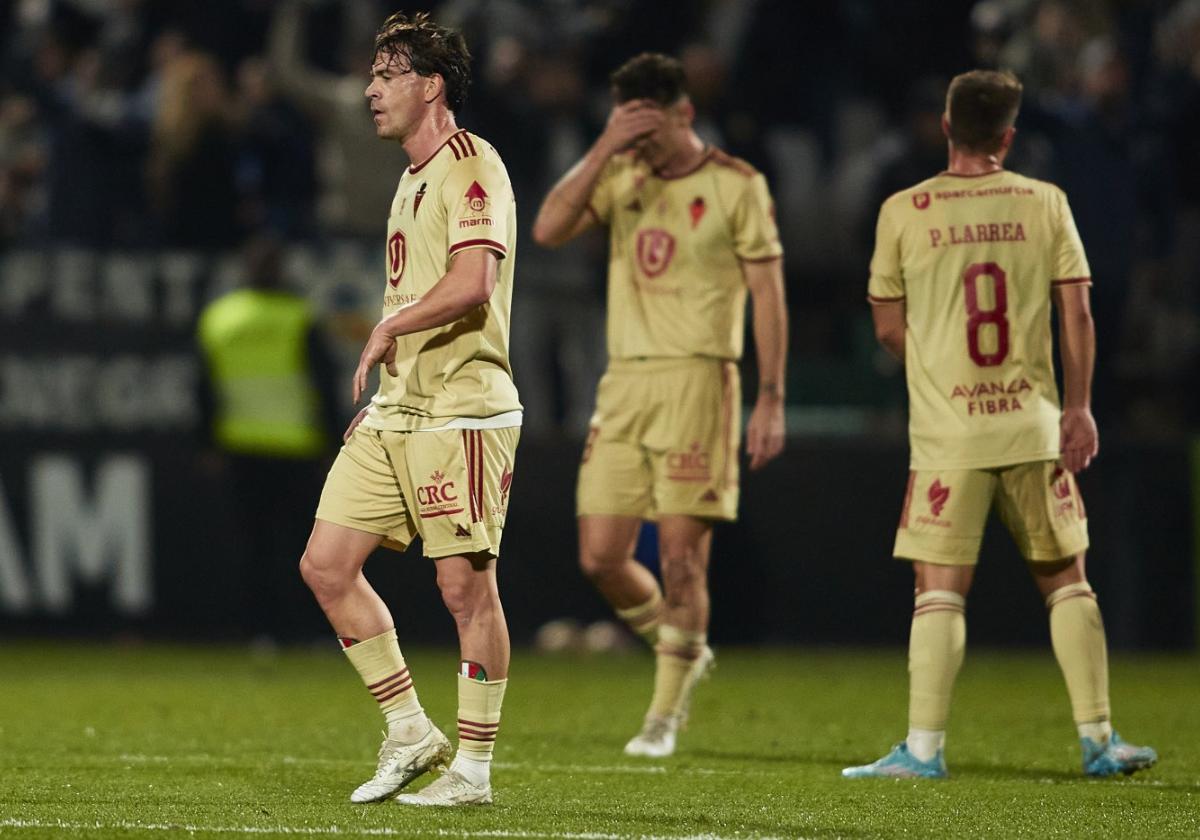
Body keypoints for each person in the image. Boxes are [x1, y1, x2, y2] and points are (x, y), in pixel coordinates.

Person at [843, 69, 1156, 780]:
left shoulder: (904, 209)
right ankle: (1100, 740)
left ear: (948, 126)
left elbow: (887, 325)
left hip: (949, 432)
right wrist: (1079, 407)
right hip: (1032, 425)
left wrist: (936, 359)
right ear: (1009, 137)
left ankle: (923, 750)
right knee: (1068, 581)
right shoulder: (1045, 203)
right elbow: (1077, 312)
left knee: (940, 589)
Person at [532, 52, 788, 758]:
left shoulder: (736, 184)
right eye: (630, 128)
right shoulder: (622, 173)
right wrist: (605, 146)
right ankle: (682, 649)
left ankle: (664, 715)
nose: (642, 143)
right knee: (602, 555)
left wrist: (770, 397)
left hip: (701, 380)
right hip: (625, 385)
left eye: (649, 128)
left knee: (681, 561)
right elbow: (548, 230)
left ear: (684, 113)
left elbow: (768, 294)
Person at [298, 12, 520, 807]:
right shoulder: (409, 177)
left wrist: (389, 326)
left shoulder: (471, 165)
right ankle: (409, 732)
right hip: (404, 409)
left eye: (387, 75)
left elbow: (473, 283)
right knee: (326, 565)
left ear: (430, 86)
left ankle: (474, 769)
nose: (370, 90)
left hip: (463, 408)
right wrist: (390, 388)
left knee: (464, 590)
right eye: (371, 75)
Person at [197, 234, 338, 641]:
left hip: (242, 447)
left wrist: (207, 443)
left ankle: (262, 633)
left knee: (254, 548)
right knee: (306, 550)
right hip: (296, 447)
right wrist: (333, 443)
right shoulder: (299, 315)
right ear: (281, 269)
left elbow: (203, 390)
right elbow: (322, 383)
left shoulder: (221, 317)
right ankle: (309, 632)